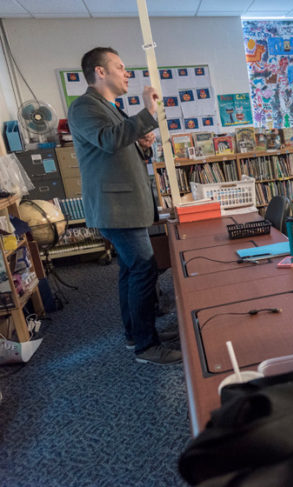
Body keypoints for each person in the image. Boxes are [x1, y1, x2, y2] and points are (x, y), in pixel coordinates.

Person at [68, 47, 181, 365]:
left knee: (131, 271)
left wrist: (142, 144)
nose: (126, 72)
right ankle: (147, 346)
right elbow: (108, 140)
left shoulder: (109, 107)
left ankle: (136, 336)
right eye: (119, 67)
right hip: (115, 207)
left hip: (125, 205)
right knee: (144, 268)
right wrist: (147, 114)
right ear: (100, 72)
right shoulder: (84, 107)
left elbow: (119, 147)